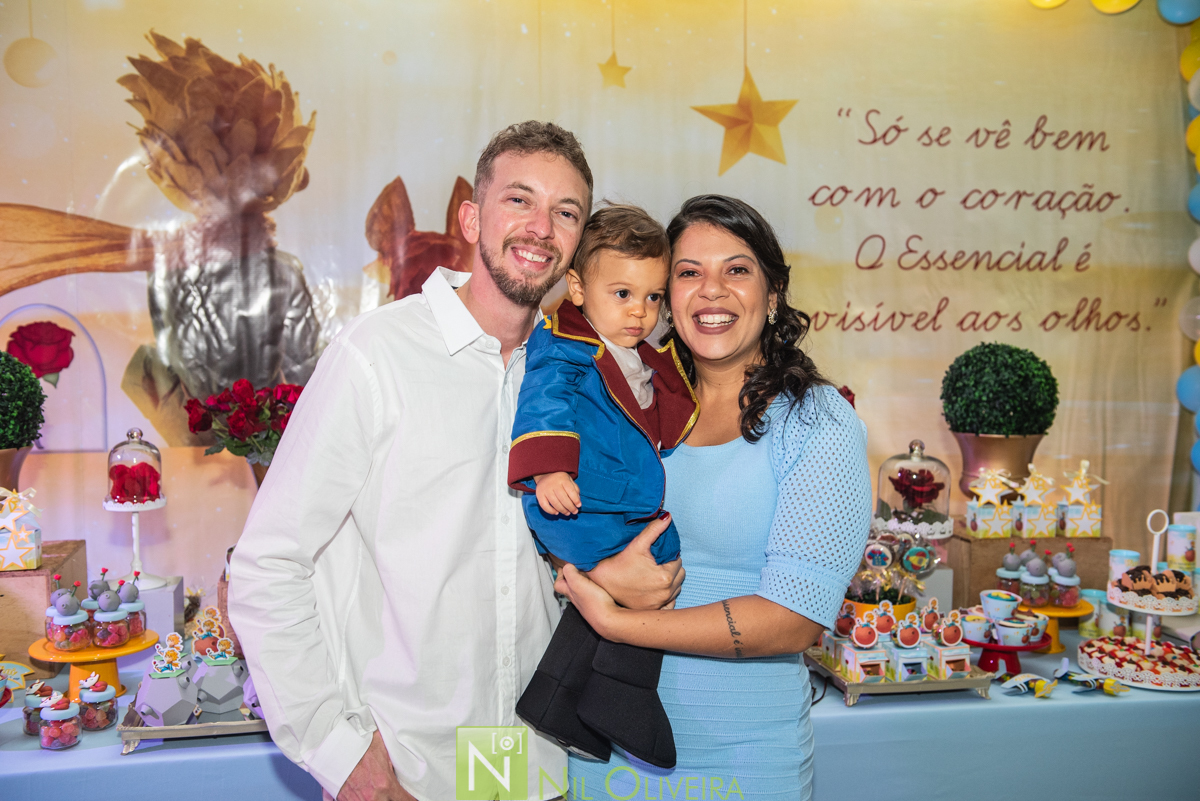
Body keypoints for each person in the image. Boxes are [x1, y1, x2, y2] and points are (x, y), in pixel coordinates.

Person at [227, 121, 684, 801]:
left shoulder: (584, 374)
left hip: (536, 765)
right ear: (471, 217)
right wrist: (345, 758)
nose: (540, 228)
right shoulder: (376, 355)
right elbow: (268, 564)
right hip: (407, 768)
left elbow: (550, 540)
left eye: (566, 213)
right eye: (519, 200)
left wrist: (608, 575)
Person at [558, 194, 871, 800]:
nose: (712, 291)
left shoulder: (817, 423)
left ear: (773, 293)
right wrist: (583, 572)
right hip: (598, 751)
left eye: (736, 270)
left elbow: (793, 621)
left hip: (743, 758)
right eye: (689, 272)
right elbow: (558, 515)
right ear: (665, 294)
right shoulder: (627, 402)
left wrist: (623, 623)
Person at [508, 205, 698, 769]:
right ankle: (623, 692)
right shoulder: (565, 343)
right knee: (643, 576)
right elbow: (545, 397)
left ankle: (560, 700)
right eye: (622, 294)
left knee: (660, 555)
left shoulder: (639, 354)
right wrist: (548, 468)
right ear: (577, 288)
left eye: (653, 297)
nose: (640, 312)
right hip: (575, 504)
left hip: (619, 506)